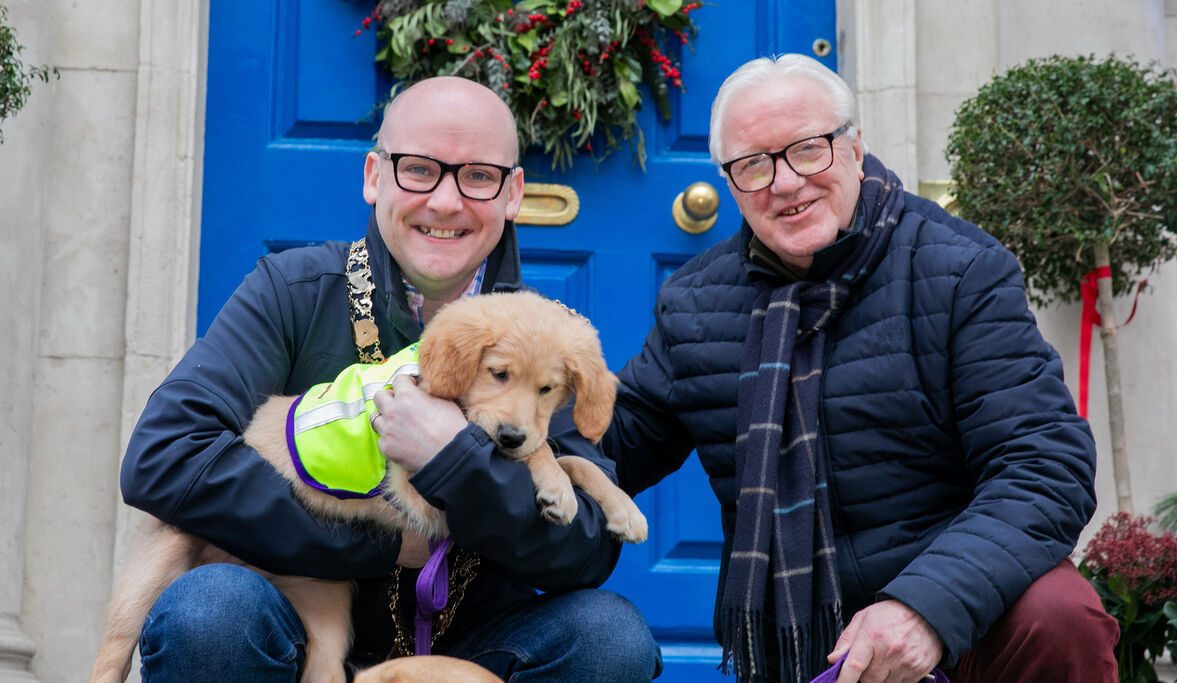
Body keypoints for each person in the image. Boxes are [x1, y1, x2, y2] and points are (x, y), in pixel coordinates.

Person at [120, 76, 661, 682]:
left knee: (610, 638)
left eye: (478, 176)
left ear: (512, 194)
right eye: (419, 169)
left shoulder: (542, 338)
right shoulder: (291, 290)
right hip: (297, 626)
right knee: (209, 610)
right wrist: (377, 546)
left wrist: (456, 463)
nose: (447, 202)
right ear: (375, 176)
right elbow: (165, 458)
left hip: (471, 644)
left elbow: (585, 550)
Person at [603, 54, 1119, 683]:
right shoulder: (695, 304)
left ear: (853, 148)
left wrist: (925, 608)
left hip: (957, 617)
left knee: (1061, 614)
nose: (785, 183)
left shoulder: (960, 271)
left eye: (808, 149)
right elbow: (610, 442)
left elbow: (1044, 465)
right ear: (730, 182)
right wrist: (506, 400)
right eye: (754, 164)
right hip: (806, 643)